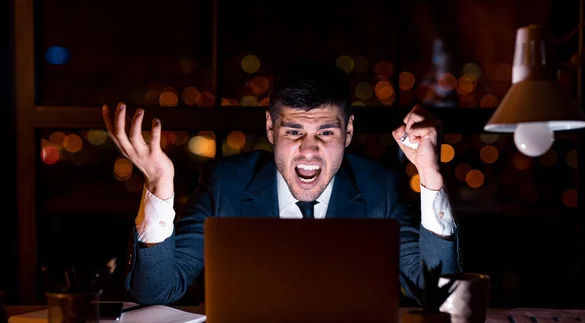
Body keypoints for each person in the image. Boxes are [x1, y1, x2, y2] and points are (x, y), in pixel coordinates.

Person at [101, 59, 461, 305]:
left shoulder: (379, 188)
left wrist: (429, 176)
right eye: (293, 130)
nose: (309, 150)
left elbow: (437, 293)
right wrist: (159, 185)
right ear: (271, 129)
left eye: (325, 131)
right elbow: (154, 291)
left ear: (348, 131)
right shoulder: (226, 184)